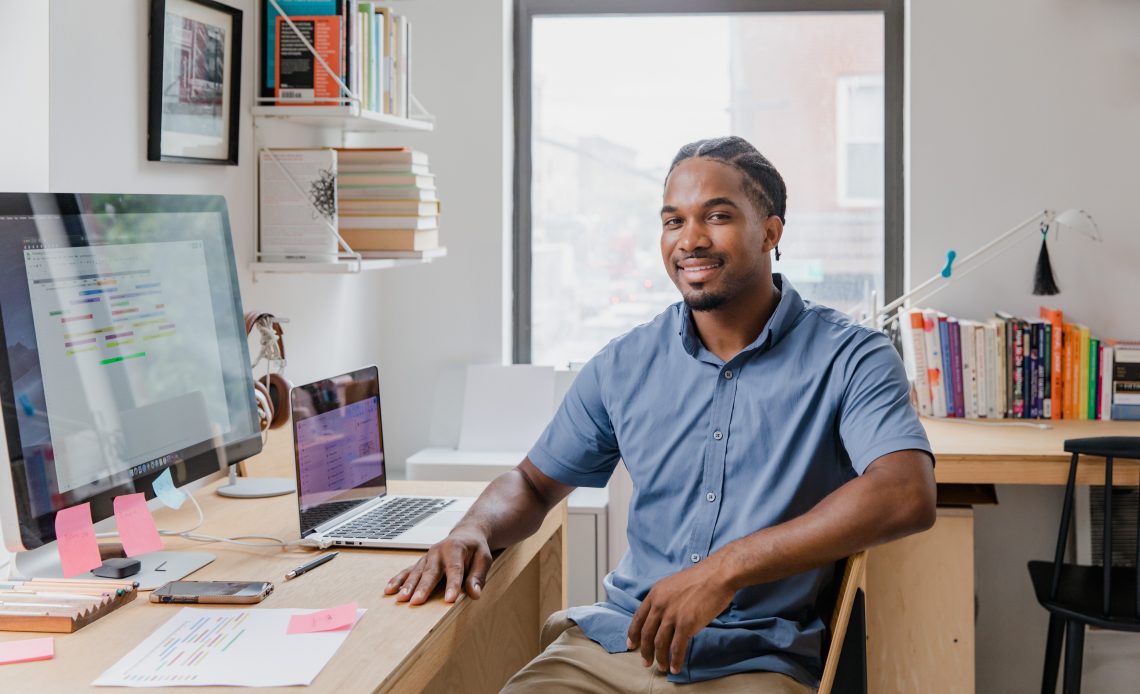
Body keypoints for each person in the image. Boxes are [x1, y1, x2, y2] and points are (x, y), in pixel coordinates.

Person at [384, 136, 937, 692]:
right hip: (617, 644)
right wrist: (471, 528)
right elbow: (531, 483)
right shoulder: (624, 363)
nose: (690, 240)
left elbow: (906, 493)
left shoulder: (851, 356)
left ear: (770, 232)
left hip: (756, 661)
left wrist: (724, 569)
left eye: (717, 216)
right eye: (673, 221)